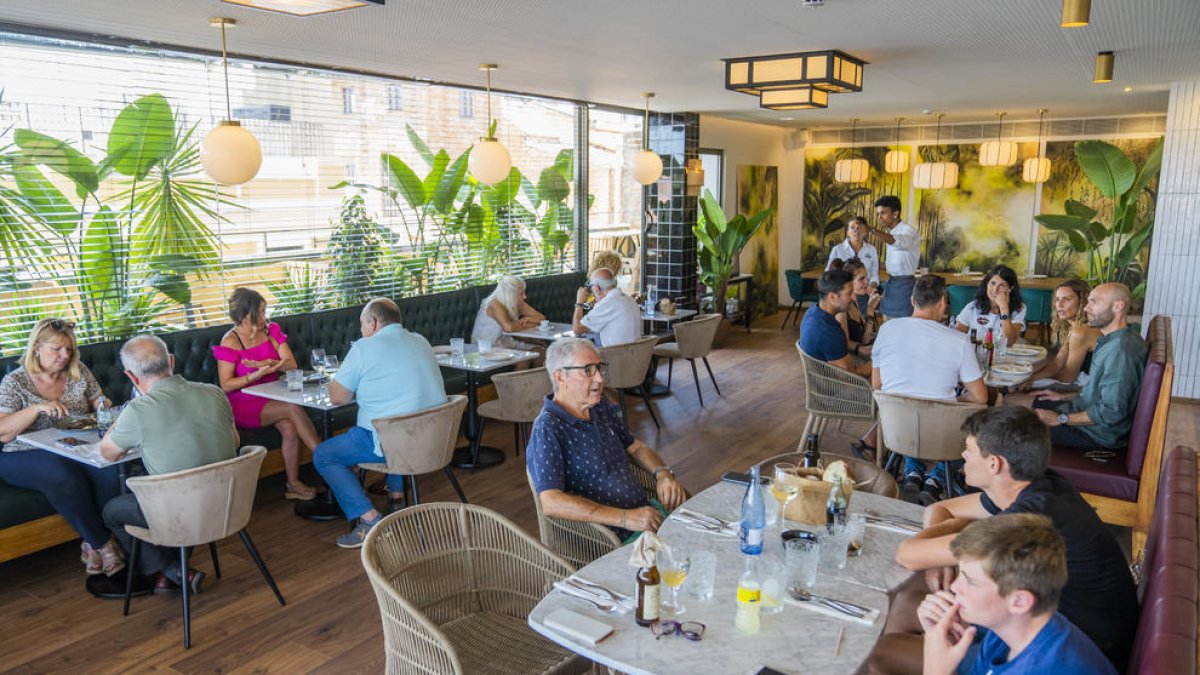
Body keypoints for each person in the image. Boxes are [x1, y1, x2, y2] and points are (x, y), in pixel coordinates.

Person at [892, 406, 1137, 669]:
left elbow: (906, 553)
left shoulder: (1027, 518)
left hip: (1063, 651)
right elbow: (939, 509)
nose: (962, 455)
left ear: (994, 463)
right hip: (1042, 622)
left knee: (885, 653)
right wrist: (944, 558)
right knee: (906, 603)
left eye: (969, 450)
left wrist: (949, 543)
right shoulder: (1035, 485)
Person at [99, 335, 239, 594]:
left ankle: (169, 570)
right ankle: (172, 573)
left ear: (131, 376)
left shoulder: (139, 410)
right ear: (171, 361)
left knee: (112, 511)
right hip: (229, 502)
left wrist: (122, 420)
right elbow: (235, 441)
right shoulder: (214, 392)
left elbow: (108, 453)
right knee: (172, 483)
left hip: (183, 512)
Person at [314, 298, 447, 548]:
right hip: (433, 437)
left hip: (393, 441)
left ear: (373, 323)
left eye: (363, 324)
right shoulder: (421, 341)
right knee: (400, 415)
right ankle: (396, 498)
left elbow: (337, 396)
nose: (362, 330)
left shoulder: (365, 347)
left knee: (324, 455)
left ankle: (370, 519)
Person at [526, 338, 686, 541]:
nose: (600, 379)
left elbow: (635, 447)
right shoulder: (548, 428)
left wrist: (663, 474)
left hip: (646, 515)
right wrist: (626, 518)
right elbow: (551, 501)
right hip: (609, 538)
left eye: (599, 368)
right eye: (588, 371)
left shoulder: (599, 407)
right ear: (560, 377)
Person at [0, 318, 125, 577]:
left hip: (72, 446)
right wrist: (36, 409)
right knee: (61, 474)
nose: (65, 355)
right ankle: (104, 543)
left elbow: (97, 401)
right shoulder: (15, 382)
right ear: (36, 348)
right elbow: (3, 431)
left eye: (68, 348)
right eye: (56, 349)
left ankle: (91, 543)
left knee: (109, 469)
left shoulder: (77, 370)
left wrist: (102, 403)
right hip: (22, 453)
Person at [918, 514, 1117, 675]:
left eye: (969, 580)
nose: (953, 587)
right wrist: (947, 644)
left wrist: (935, 670)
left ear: (1019, 601)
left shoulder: (1043, 667)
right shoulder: (1008, 631)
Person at [872, 274, 987, 504]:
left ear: (912, 300)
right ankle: (936, 479)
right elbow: (980, 397)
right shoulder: (959, 341)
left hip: (896, 433)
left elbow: (877, 386)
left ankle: (912, 472)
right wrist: (957, 400)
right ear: (943, 301)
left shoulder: (886, 329)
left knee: (912, 407)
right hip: (943, 438)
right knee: (982, 414)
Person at [212, 288, 319, 501]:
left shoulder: (271, 331)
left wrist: (271, 364)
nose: (264, 317)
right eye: (259, 313)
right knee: (292, 408)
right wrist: (254, 376)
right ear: (244, 314)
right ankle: (326, 456)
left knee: (289, 426)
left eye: (264, 311)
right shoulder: (231, 341)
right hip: (244, 401)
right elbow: (226, 385)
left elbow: (291, 365)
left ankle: (293, 483)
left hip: (273, 395)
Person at [1025, 283, 1147, 450]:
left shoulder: (1120, 351)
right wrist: (1064, 397)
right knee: (1011, 407)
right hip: (1083, 415)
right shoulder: (1113, 340)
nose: (1086, 309)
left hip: (1094, 434)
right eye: (1088, 302)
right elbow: (1102, 393)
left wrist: (1061, 419)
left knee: (1007, 427)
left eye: (1094, 302)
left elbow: (1111, 412)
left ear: (1118, 306)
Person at [1022, 280, 1100, 390]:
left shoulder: (1082, 331)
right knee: (1022, 383)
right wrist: (1031, 378)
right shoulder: (1069, 326)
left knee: (1014, 395)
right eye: (1057, 299)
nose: (1059, 304)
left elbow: (1067, 378)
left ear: (1083, 302)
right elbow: (1057, 363)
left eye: (1067, 299)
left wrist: (1038, 382)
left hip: (1089, 387)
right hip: (1079, 380)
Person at [798, 268, 871, 376]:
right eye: (849, 293)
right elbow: (850, 376)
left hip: (822, 377)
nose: (853, 296)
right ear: (832, 297)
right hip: (835, 389)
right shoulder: (828, 332)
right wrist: (880, 364)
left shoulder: (812, 312)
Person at [865, 195, 920, 319]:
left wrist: (871, 230)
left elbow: (896, 241)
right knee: (887, 323)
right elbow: (895, 263)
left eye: (883, 213)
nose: (879, 218)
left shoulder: (908, 231)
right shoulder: (891, 232)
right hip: (891, 284)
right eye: (878, 214)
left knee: (902, 325)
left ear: (895, 214)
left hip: (905, 286)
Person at [954, 264, 1025, 347]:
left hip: (1001, 357)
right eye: (993, 283)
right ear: (986, 284)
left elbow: (1008, 342)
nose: (995, 290)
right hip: (974, 354)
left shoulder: (1019, 308)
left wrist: (1004, 308)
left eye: (1002, 285)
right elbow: (957, 337)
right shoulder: (972, 307)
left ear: (1010, 288)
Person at [472, 275, 547, 352]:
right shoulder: (494, 304)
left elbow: (541, 318)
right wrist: (529, 324)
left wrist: (527, 319)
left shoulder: (517, 303)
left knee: (541, 350)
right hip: (487, 346)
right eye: (521, 293)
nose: (525, 297)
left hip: (505, 342)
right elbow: (508, 328)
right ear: (510, 294)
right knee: (525, 358)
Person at [573, 268, 640, 347]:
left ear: (596, 288)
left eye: (591, 286)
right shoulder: (629, 300)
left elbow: (577, 329)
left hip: (614, 357)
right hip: (636, 356)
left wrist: (579, 303)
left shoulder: (608, 303)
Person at [831, 257, 881, 358]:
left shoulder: (854, 300)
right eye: (861, 279)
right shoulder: (841, 310)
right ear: (848, 282)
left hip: (864, 350)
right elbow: (844, 344)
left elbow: (865, 339)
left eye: (866, 277)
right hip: (853, 359)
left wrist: (870, 309)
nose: (867, 282)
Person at [825, 216, 880, 287]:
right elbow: (829, 273)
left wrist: (872, 287)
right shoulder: (837, 250)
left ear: (866, 231)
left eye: (859, 228)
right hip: (844, 292)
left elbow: (874, 275)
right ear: (847, 232)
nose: (856, 231)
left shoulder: (871, 250)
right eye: (852, 227)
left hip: (865, 290)